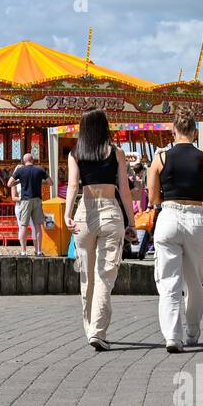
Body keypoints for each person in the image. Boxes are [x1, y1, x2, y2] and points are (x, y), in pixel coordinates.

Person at [63, 109, 135, 352]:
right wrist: (131, 222)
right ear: (105, 127)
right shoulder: (117, 153)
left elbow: (73, 185)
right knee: (105, 274)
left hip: (85, 212)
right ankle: (98, 330)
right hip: (110, 212)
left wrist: (67, 213)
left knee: (87, 275)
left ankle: (90, 329)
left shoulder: (76, 153)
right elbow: (124, 190)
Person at [146, 113, 203, 352]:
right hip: (196, 217)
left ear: (173, 131)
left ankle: (172, 336)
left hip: (169, 217)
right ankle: (193, 331)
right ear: (195, 132)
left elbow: (153, 197)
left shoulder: (160, 157)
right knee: (195, 282)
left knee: (169, 281)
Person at [8, 153, 49, 256]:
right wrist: (40, 182)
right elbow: (51, 183)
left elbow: (9, 184)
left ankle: (24, 251)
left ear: (24, 160)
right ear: (33, 160)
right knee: (38, 226)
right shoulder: (39, 169)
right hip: (37, 200)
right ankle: (39, 251)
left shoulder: (20, 171)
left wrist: (18, 181)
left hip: (25, 201)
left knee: (23, 226)